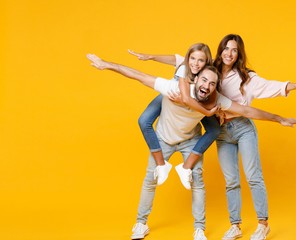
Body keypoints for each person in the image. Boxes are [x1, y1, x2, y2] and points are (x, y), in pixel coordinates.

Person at [87, 57, 296, 240]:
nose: (207, 86)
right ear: (195, 78)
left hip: (190, 140)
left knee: (197, 181)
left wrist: (279, 118)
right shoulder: (173, 88)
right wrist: (106, 65)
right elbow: (138, 76)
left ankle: (199, 229)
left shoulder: (216, 99)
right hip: (164, 138)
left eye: (213, 83)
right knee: (150, 179)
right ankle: (141, 224)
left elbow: (245, 110)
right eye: (204, 80)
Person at [212, 34, 296, 240]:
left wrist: (295, 86)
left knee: (253, 176)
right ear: (220, 50)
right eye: (226, 48)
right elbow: (186, 62)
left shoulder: (246, 77)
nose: (229, 53)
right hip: (222, 132)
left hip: (243, 128)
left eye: (234, 50)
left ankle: (263, 224)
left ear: (238, 54)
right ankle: (235, 225)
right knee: (231, 180)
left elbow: (271, 86)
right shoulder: (211, 72)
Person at [88, 43, 220, 189]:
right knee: (144, 120)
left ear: (207, 63)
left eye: (200, 61)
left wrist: (215, 110)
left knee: (215, 129)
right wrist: (108, 64)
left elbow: (177, 62)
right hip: (172, 96)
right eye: (193, 59)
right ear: (189, 58)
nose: (195, 64)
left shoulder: (208, 78)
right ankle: (161, 165)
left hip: (194, 104)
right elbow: (152, 71)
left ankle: (186, 167)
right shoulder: (184, 69)